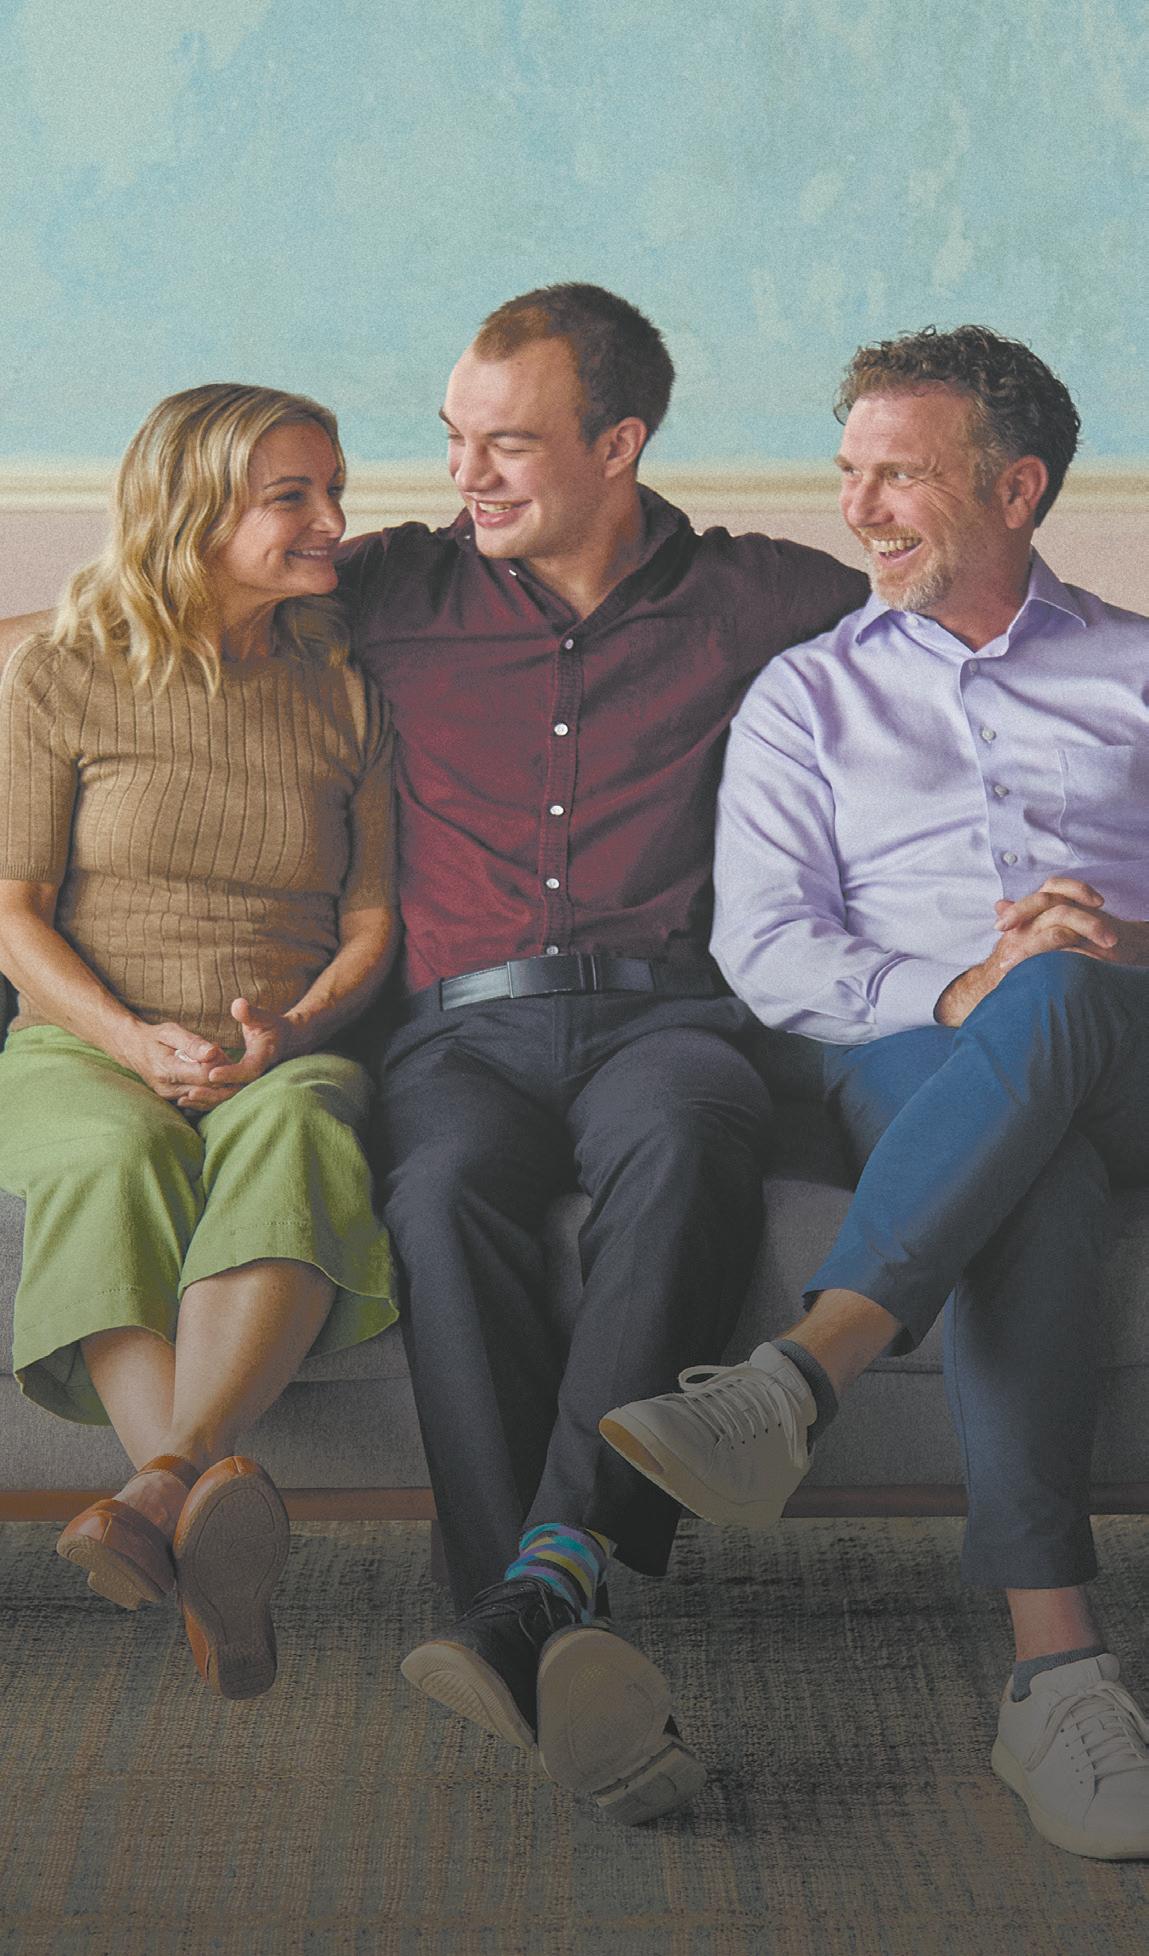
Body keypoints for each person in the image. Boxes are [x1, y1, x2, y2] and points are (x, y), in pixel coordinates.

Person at [599, 324, 1149, 1858]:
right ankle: (1057, 1677)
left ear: (1016, 488)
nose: (857, 508)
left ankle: (801, 1376)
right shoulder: (805, 697)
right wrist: (960, 989)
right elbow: (767, 948)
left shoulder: (1138, 669)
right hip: (907, 1041)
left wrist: (1113, 945)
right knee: (1028, 1156)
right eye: (848, 472)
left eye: (897, 474)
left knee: (1059, 995)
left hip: (1132, 1038)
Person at [333, 283, 868, 1823]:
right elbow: (158, 612)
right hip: (459, 1034)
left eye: (506, 444)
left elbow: (967, 639)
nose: (465, 475)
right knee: (437, 1197)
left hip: (670, 1020)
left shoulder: (762, 598)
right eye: (454, 439)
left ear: (618, 445)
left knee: (690, 1135)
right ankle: (540, 1604)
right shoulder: (391, 590)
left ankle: (533, 1592)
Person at [0, 383, 397, 1700]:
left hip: (284, 1045)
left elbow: (371, 919)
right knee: (108, 1157)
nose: (333, 520)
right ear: (194, 508)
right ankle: (196, 1502)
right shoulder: (61, 669)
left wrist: (297, 1026)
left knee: (300, 1130)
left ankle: (162, 1490)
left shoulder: (344, 689)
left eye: (333, 490)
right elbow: (12, 910)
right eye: (293, 496)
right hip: (81, 1046)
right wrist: (129, 1038)